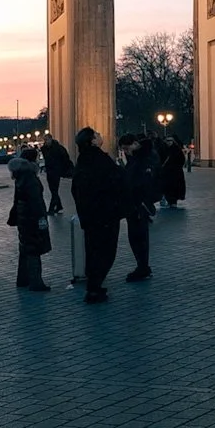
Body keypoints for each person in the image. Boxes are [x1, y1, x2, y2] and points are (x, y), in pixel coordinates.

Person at [70, 127, 126, 304]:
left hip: (90, 216)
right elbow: (117, 180)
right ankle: (94, 288)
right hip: (105, 214)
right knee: (106, 251)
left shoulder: (82, 161)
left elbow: (76, 189)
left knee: (93, 250)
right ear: (92, 140)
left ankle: (94, 286)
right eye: (97, 134)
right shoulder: (100, 160)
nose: (101, 136)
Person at [7, 146, 52, 291]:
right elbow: (36, 201)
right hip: (32, 217)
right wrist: (42, 219)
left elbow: (17, 199)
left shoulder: (20, 175)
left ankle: (23, 279)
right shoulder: (31, 177)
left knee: (25, 248)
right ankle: (36, 282)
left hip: (23, 217)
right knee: (34, 249)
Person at [119, 134, 160, 282]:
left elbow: (144, 181)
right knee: (135, 236)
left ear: (135, 144)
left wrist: (141, 200)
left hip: (139, 204)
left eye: (126, 148)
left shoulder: (145, 158)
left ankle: (143, 266)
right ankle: (141, 266)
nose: (126, 152)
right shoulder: (138, 157)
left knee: (139, 236)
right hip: (134, 203)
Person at [42, 135, 73, 214]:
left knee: (54, 190)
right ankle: (59, 206)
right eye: (44, 140)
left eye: (47, 140)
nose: (45, 141)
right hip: (49, 171)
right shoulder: (44, 148)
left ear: (51, 139)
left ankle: (51, 209)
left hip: (56, 171)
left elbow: (65, 158)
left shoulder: (58, 148)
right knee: (53, 190)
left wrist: (63, 169)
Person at [159, 135, 188, 208]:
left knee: (175, 187)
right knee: (167, 187)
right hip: (166, 172)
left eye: (170, 140)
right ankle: (169, 201)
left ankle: (173, 202)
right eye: (167, 141)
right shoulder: (164, 149)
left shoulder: (177, 150)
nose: (168, 142)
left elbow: (182, 160)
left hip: (176, 172)